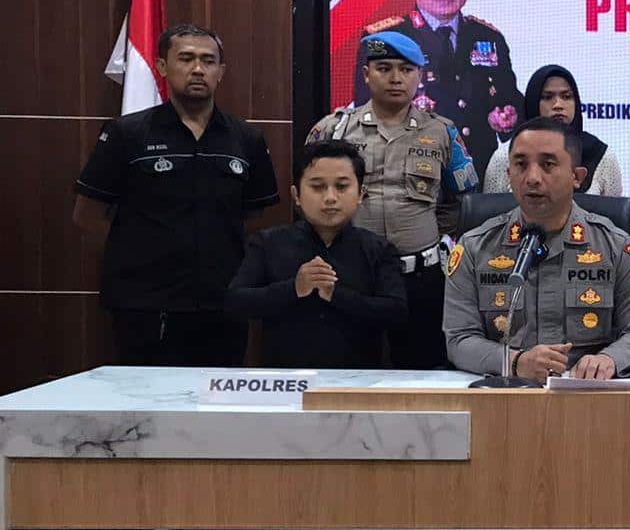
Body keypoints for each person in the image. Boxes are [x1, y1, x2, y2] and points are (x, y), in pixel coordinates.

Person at [72, 23, 279, 366]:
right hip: (145, 305)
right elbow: (87, 214)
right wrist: (137, 254)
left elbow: (259, 218)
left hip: (223, 303)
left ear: (221, 71)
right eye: (186, 59)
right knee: (145, 396)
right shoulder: (127, 134)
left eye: (208, 61)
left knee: (218, 395)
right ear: (162, 66)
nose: (198, 69)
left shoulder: (246, 139)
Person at [308, 31, 477, 368]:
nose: (396, 78)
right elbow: (309, 199)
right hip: (351, 275)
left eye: (406, 69)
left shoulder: (442, 132)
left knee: (422, 374)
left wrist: (428, 233)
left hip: (421, 277)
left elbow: (462, 202)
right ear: (366, 74)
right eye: (384, 68)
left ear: (419, 76)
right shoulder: (333, 130)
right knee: (348, 372)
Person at [443, 117, 630, 381]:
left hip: (588, 392)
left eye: (548, 165)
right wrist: (514, 362)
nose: (532, 178)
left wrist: (608, 360)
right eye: (521, 165)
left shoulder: (616, 246)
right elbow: (459, 339)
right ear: (509, 175)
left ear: (577, 177)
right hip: (507, 392)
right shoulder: (475, 247)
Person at [356, 0, 519, 178]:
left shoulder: (489, 38)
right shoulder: (384, 40)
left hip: (477, 179)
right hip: (408, 179)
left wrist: (508, 117)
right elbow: (366, 125)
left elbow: (510, 100)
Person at [225, 141, 406, 368]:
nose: (330, 197)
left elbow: (396, 313)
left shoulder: (379, 250)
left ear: (360, 193)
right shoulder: (267, 243)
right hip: (285, 379)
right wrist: (294, 288)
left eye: (341, 186)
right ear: (296, 195)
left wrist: (336, 295)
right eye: (318, 187)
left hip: (357, 380)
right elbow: (235, 302)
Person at [482, 64, 622, 196]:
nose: (558, 105)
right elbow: (491, 210)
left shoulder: (602, 156)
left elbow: (616, 212)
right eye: (548, 97)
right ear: (532, 102)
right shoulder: (505, 157)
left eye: (566, 97)